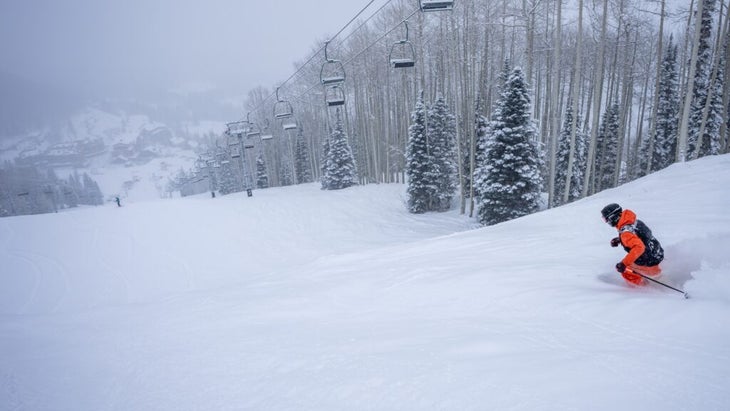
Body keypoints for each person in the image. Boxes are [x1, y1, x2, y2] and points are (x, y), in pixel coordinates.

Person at [601, 203, 664, 286]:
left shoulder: (626, 233)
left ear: (613, 218)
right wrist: (620, 239)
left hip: (649, 263)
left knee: (625, 270)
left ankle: (644, 288)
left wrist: (624, 264)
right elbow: (641, 236)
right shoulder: (633, 222)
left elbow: (639, 247)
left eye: (606, 219)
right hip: (657, 254)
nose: (606, 222)